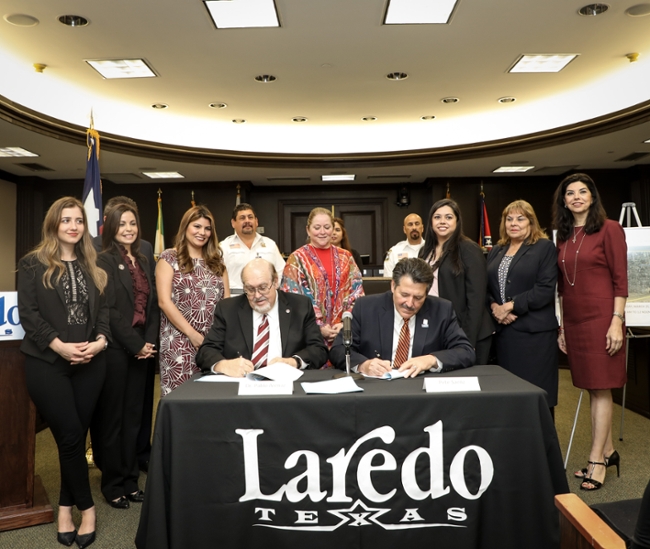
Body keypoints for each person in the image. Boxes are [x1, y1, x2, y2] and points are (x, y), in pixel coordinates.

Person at [17, 197, 109, 549]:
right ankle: (87, 510)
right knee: (70, 436)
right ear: (54, 224)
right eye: (66, 220)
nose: (73, 226)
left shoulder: (93, 265)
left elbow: (104, 312)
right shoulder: (32, 264)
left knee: (75, 436)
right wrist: (59, 346)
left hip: (91, 364)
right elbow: (29, 314)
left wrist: (100, 342)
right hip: (47, 364)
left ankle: (65, 506)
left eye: (79, 221)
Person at [553, 173, 627, 491]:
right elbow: (561, 287)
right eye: (570, 193)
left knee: (601, 387)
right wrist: (563, 327)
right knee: (590, 388)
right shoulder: (563, 236)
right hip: (574, 320)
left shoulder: (610, 229)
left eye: (583, 192)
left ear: (593, 197)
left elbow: (621, 279)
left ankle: (596, 460)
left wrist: (616, 320)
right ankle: (608, 451)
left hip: (602, 319)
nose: (577, 197)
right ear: (564, 201)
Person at [96, 202, 159, 509]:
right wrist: (135, 344)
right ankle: (113, 483)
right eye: (122, 224)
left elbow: (153, 305)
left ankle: (132, 480)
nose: (128, 229)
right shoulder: (104, 259)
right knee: (114, 420)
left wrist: (147, 343)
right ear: (111, 228)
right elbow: (108, 310)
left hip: (142, 351)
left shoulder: (145, 258)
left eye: (132, 223)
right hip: (117, 351)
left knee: (136, 418)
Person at [330, 257, 475, 376]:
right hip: (376, 389)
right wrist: (364, 365)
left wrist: (431, 360)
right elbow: (338, 349)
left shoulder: (441, 310)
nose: (410, 303)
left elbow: (466, 351)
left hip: (420, 391)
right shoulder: (366, 307)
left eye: (418, 297)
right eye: (404, 295)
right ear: (393, 286)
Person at [196, 258, 328, 375]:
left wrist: (294, 362)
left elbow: (318, 350)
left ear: (275, 282)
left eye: (263, 287)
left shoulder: (300, 306)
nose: (257, 295)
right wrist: (223, 365)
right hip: (241, 386)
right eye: (250, 289)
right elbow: (205, 352)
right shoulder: (228, 309)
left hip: (286, 385)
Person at [486, 200, 559, 412]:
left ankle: (541, 445)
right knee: (509, 397)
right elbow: (487, 287)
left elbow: (545, 289)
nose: (513, 223)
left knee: (536, 396)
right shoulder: (497, 250)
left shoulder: (544, 247)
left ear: (531, 222)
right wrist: (494, 307)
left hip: (534, 335)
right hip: (504, 334)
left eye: (520, 218)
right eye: (509, 219)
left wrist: (509, 306)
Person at [156, 205, 230, 396]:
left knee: (211, 396)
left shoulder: (217, 263)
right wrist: (192, 334)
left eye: (207, 228)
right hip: (179, 341)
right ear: (185, 227)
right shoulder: (169, 258)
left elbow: (226, 302)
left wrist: (218, 338)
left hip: (213, 342)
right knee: (180, 397)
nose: (202, 233)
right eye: (196, 226)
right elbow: (164, 302)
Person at [419, 199, 493, 364]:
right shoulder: (425, 251)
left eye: (448, 217)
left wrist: (467, 340)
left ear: (457, 221)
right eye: (437, 217)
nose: (442, 221)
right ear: (431, 221)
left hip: (467, 330)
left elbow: (477, 298)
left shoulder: (469, 249)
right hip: (437, 326)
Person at [281, 207, 364, 352]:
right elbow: (292, 297)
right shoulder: (297, 259)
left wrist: (345, 321)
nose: (322, 232)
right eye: (317, 227)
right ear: (308, 230)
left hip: (343, 332)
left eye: (327, 227)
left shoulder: (346, 257)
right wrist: (318, 325)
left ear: (333, 229)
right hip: (309, 334)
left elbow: (356, 291)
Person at [220, 203, 286, 294]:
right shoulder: (223, 247)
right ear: (233, 223)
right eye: (242, 218)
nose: (247, 221)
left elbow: (282, 273)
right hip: (235, 298)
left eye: (250, 217)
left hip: (264, 298)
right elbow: (218, 277)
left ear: (256, 221)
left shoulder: (270, 244)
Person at [383, 213, 425, 278]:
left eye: (417, 224)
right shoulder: (394, 251)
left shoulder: (432, 248)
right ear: (404, 229)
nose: (414, 227)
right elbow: (388, 278)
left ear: (422, 228)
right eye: (410, 224)